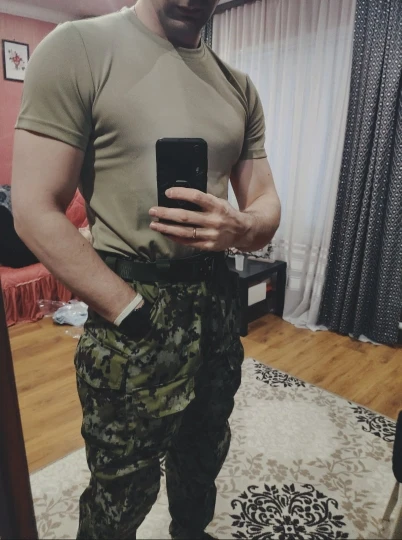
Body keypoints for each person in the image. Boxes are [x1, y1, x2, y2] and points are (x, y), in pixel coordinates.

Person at [11, 1, 281, 538]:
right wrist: (127, 308)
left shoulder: (239, 87)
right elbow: (34, 210)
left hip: (215, 310)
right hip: (131, 312)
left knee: (203, 457)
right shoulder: (77, 48)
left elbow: (266, 201)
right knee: (120, 490)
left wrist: (240, 227)